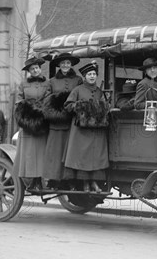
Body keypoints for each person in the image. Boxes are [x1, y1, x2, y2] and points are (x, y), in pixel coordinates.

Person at [63, 62, 109, 192]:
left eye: (94, 74)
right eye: (89, 74)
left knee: (94, 158)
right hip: (81, 132)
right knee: (83, 158)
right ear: (84, 76)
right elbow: (68, 105)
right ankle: (84, 184)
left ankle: (94, 182)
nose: (92, 76)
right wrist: (81, 107)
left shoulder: (99, 91)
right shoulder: (77, 90)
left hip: (96, 131)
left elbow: (104, 106)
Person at [42, 52, 82, 189]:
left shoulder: (78, 80)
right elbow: (47, 101)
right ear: (59, 65)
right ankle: (54, 180)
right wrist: (56, 112)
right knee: (56, 151)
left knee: (70, 151)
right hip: (56, 122)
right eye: (63, 63)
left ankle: (70, 180)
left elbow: (80, 97)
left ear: (71, 65)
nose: (65, 65)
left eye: (68, 63)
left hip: (72, 121)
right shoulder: (51, 81)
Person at [13, 56, 51, 191]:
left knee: (41, 154)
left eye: (37, 68)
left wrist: (41, 112)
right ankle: (30, 182)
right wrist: (26, 115)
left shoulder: (47, 83)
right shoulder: (23, 84)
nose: (35, 70)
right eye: (32, 69)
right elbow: (19, 101)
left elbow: (49, 99)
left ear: (40, 69)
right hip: (28, 124)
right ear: (29, 71)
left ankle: (40, 181)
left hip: (42, 123)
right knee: (29, 154)